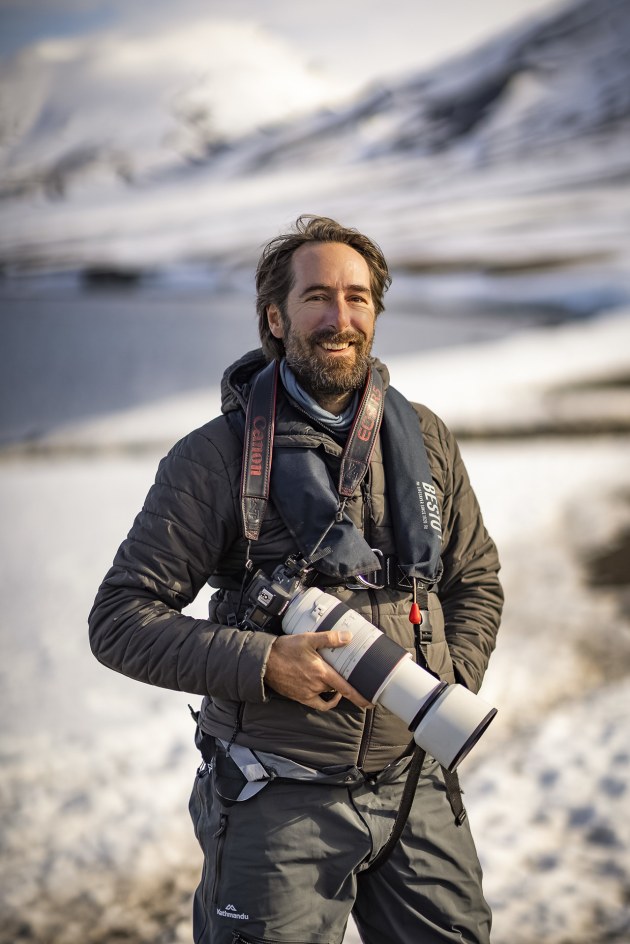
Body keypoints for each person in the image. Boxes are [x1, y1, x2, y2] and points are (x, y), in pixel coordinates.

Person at [89, 214, 503, 944]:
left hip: (417, 785)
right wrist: (265, 663)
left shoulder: (426, 438)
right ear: (275, 319)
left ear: (375, 312)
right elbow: (121, 620)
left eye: (358, 297)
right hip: (275, 797)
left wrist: (445, 679)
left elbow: (474, 579)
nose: (339, 318)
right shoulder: (213, 458)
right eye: (317, 297)